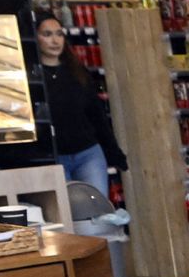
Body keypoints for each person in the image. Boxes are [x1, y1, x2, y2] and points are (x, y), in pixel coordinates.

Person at [34, 13, 127, 199]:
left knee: (97, 209)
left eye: (59, 34)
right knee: (68, 215)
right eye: (47, 34)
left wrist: (113, 151)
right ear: (34, 37)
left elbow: (96, 115)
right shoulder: (32, 78)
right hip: (53, 157)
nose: (55, 40)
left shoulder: (76, 71)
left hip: (88, 153)